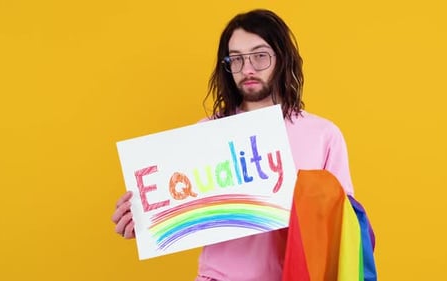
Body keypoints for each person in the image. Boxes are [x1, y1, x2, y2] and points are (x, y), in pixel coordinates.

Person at [112, 9, 355, 281]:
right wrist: (142, 219)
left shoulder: (323, 135)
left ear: (282, 58)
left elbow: (345, 228)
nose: (247, 69)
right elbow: (176, 209)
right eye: (236, 59)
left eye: (260, 56)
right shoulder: (205, 134)